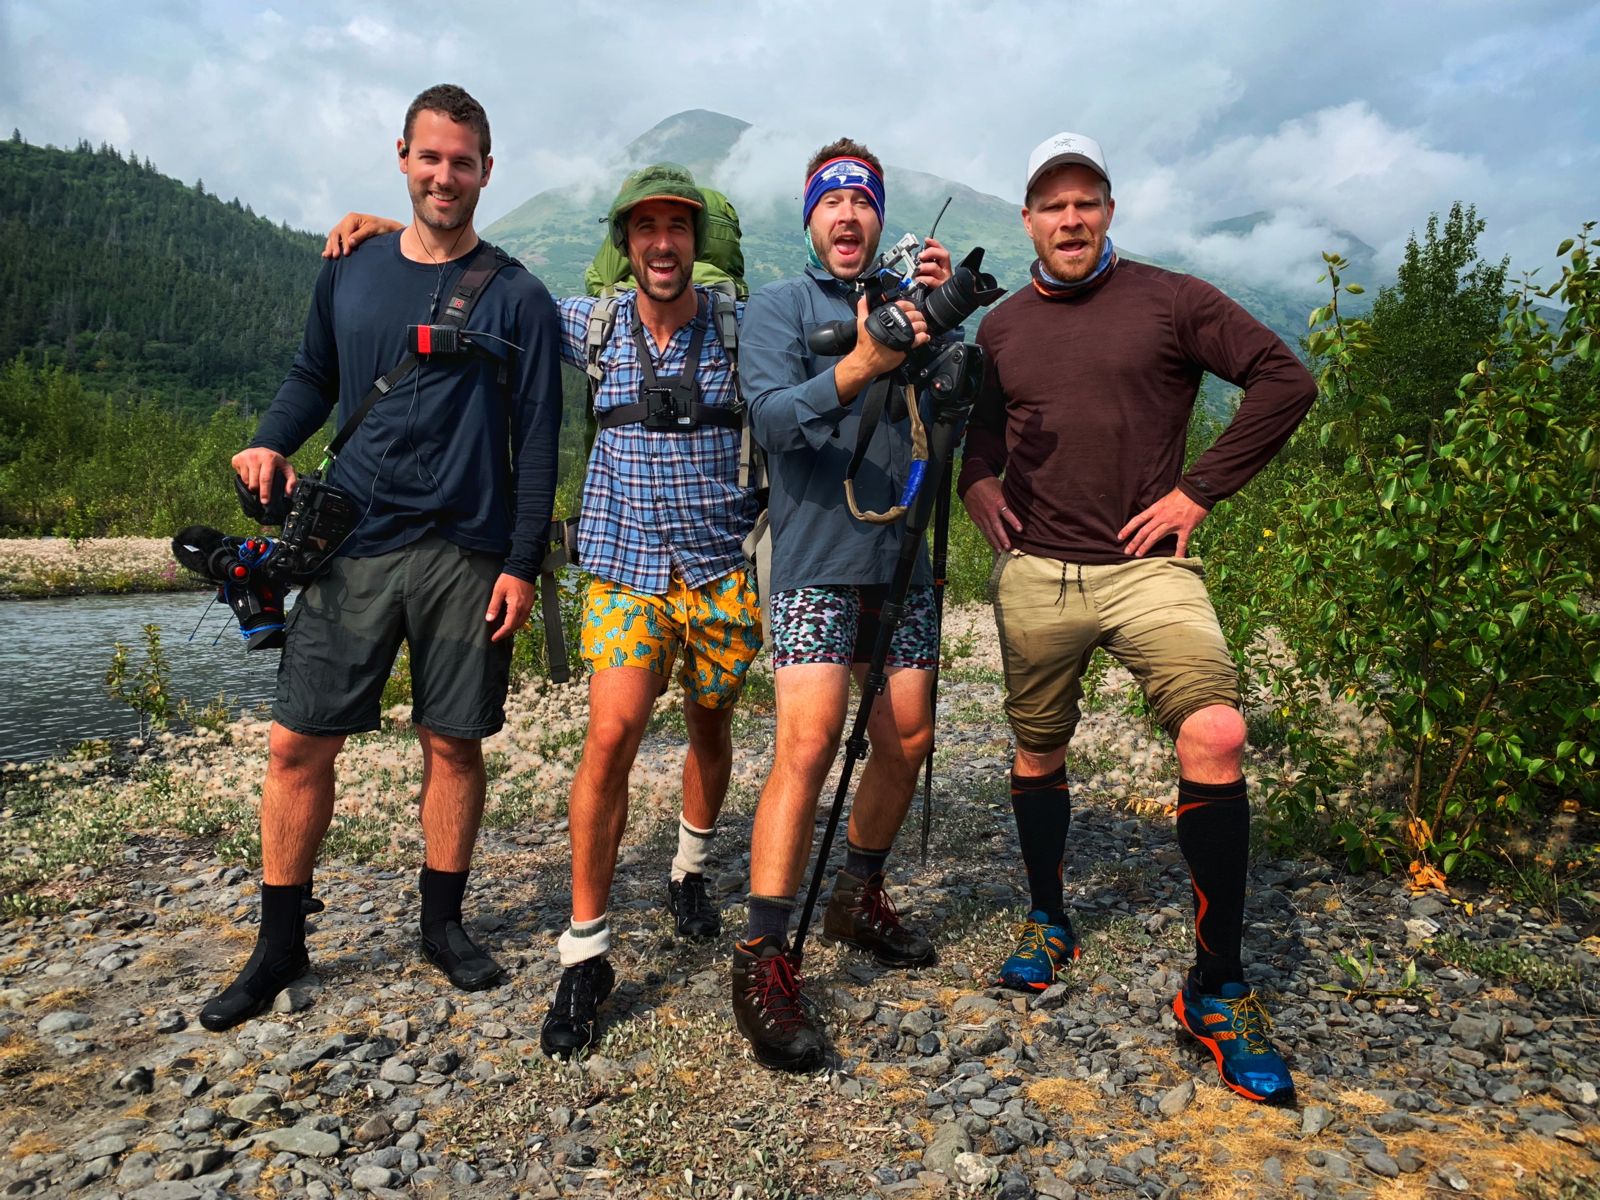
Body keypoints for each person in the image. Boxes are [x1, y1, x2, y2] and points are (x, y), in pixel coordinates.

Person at [323, 163, 763, 1059]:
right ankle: (587, 949)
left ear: (697, 242)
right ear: (626, 244)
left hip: (719, 568)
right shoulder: (589, 322)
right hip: (620, 570)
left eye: (678, 229)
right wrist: (400, 240)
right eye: (646, 230)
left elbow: (839, 339)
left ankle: (687, 866)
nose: (662, 244)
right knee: (611, 737)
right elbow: (492, 285)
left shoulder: (742, 330)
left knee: (710, 725)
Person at [957, 132, 1315, 1104]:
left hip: (1147, 568)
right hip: (1036, 573)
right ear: (1026, 218)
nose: (1069, 219)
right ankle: (1046, 917)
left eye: (1086, 201)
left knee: (1217, 729)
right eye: (1050, 204)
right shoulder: (998, 328)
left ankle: (1215, 986)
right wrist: (977, 489)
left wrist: (1198, 491)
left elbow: (1286, 379)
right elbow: (981, 441)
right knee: (1037, 752)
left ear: (1107, 209)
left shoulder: (1173, 299)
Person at [199, 84, 563, 1032]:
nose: (447, 176)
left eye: (465, 161)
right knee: (295, 744)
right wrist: (271, 440)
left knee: (453, 742)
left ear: (490, 169)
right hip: (348, 540)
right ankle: (279, 945)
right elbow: (313, 375)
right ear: (402, 156)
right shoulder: (349, 267)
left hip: (467, 552)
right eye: (431, 158)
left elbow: (539, 438)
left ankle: (441, 925)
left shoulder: (520, 296)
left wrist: (522, 564)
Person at [735, 139, 952, 1072]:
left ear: (878, 215)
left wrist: (941, 319)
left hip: (903, 557)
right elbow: (774, 421)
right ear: (812, 216)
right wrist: (864, 362)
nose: (849, 216)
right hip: (819, 556)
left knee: (909, 738)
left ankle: (855, 893)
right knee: (810, 743)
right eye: (833, 201)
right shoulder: (781, 307)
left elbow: (955, 404)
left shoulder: (913, 303)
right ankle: (761, 955)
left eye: (864, 201)